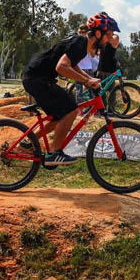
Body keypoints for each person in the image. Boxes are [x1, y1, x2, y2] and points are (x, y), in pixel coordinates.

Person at [21, 12, 120, 166]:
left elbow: (72, 65)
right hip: (37, 79)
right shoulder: (80, 42)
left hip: (37, 78)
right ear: (98, 33)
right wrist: (87, 79)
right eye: (108, 35)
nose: (110, 39)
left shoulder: (81, 45)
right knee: (71, 111)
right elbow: (61, 67)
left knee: (58, 116)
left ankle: (29, 141)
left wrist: (88, 80)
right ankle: (54, 153)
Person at [74, 24, 99, 103]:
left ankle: (80, 109)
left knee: (79, 90)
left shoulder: (76, 41)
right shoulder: (89, 41)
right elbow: (92, 55)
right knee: (91, 89)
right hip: (88, 67)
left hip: (78, 68)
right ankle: (94, 108)